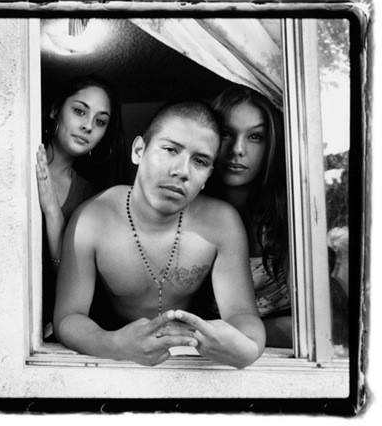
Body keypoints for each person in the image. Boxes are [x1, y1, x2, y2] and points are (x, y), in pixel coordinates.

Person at [53, 100, 265, 369]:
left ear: (207, 176)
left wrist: (248, 348)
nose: (182, 171)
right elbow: (68, 317)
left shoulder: (221, 222)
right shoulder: (93, 218)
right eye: (170, 150)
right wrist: (114, 344)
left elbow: (242, 314)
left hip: (189, 366)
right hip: (117, 369)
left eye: (199, 161)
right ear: (139, 151)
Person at [36, 75, 126, 340]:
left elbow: (69, 280)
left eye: (100, 121)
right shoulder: (16, 159)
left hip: (49, 328)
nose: (88, 126)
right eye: (79, 111)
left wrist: (53, 212)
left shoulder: (91, 196)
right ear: (55, 110)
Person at [209, 85, 291, 348]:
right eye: (226, 133)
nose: (237, 149)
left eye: (255, 137)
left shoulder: (289, 217)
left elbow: (312, 328)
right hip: (211, 356)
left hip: (285, 356)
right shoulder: (189, 215)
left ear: (271, 144)